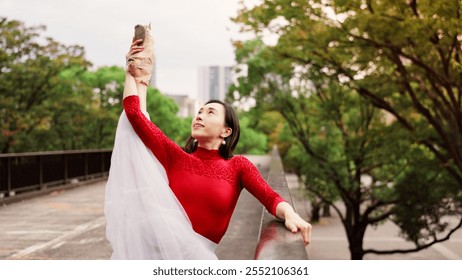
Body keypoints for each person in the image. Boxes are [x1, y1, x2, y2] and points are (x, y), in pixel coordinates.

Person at [104, 24, 311, 260]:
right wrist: (133, 70)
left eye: (210, 112)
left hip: (196, 260)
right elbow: (135, 115)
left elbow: (271, 198)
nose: (200, 115)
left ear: (226, 131)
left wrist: (291, 214)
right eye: (199, 111)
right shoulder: (175, 156)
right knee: (135, 130)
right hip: (153, 252)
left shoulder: (239, 167)